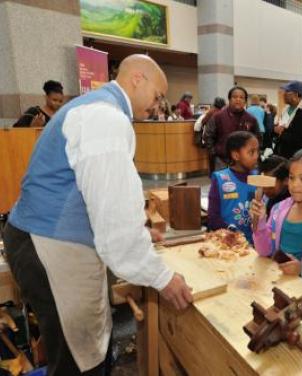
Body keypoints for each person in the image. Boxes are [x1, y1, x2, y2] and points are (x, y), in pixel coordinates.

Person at [3, 54, 193, 375]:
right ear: (137, 78)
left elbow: (99, 200)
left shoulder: (95, 108)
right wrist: (163, 278)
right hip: (52, 246)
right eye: (158, 96)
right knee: (79, 361)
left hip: (39, 238)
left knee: (76, 350)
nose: (158, 106)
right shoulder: (105, 118)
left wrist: (137, 233)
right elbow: (114, 221)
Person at [252, 148, 302, 276]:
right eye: (292, 178)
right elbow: (264, 251)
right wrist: (259, 222)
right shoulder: (279, 209)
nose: (295, 185)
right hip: (277, 279)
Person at [208, 131, 259, 242]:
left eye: (257, 151)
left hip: (255, 244)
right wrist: (232, 233)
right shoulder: (220, 178)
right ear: (236, 155)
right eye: (251, 152)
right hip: (228, 243)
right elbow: (213, 219)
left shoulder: (259, 178)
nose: (256, 156)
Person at [203, 86, 261, 172]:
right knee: (221, 185)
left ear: (245, 101)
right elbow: (208, 136)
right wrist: (214, 152)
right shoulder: (218, 117)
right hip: (222, 161)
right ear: (229, 99)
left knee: (243, 184)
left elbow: (257, 138)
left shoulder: (251, 119)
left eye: (241, 97)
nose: (238, 100)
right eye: (235, 97)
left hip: (244, 162)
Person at [274, 80, 302, 159]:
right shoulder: (286, 109)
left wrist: (282, 133)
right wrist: (276, 130)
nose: (284, 95)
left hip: (296, 156)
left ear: (296, 95)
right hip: (283, 154)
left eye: (287, 93)